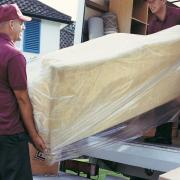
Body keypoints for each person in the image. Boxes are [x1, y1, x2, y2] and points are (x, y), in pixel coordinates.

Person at [0, 3, 46, 180]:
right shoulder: (14, 55)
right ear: (12, 24)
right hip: (9, 137)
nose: (24, 27)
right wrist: (34, 136)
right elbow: (22, 99)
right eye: (21, 23)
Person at [145, 0, 180, 144]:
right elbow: (151, 49)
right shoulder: (152, 25)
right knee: (162, 98)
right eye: (148, 2)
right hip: (166, 69)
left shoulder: (177, 15)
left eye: (153, 1)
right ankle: (162, 136)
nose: (150, 4)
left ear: (163, 1)